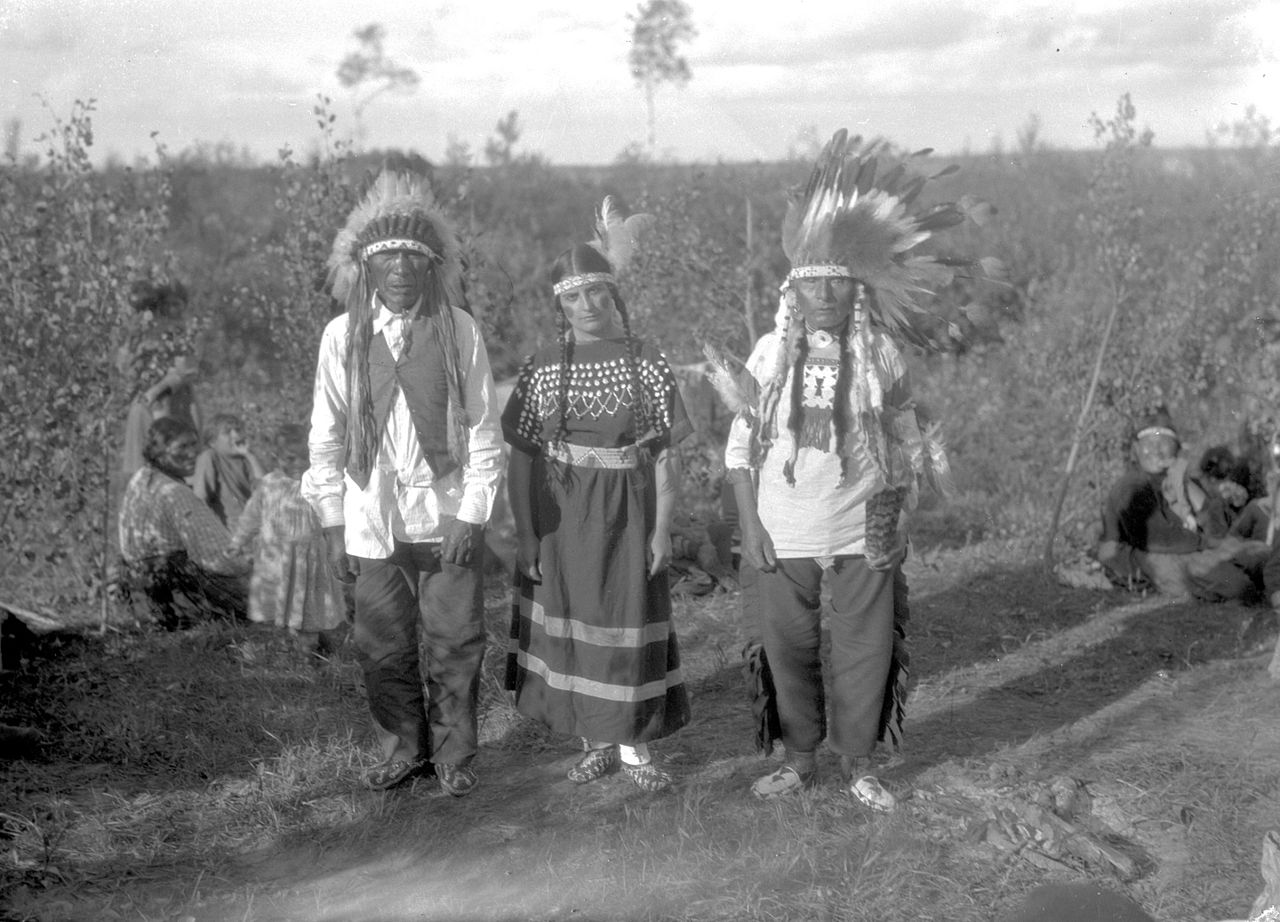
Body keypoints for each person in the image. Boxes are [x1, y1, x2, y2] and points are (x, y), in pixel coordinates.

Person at [715, 130, 979, 809]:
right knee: (786, 643)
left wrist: (904, 511)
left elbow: (907, 438)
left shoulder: (882, 355)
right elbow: (740, 447)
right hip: (782, 521)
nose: (825, 293)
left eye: (836, 281)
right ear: (793, 292)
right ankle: (800, 760)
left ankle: (859, 762)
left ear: (854, 289)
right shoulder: (769, 355)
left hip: (866, 519)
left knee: (867, 644)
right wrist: (751, 525)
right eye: (812, 283)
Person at [302, 170, 503, 794]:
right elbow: (326, 436)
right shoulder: (342, 337)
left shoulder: (458, 329)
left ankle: (452, 755)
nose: (399, 270)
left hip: (446, 513)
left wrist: (471, 514)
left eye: (413, 257)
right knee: (381, 643)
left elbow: (483, 428)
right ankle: (403, 750)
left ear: (432, 267)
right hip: (372, 518)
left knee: (455, 639)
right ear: (363, 267)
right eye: (386, 257)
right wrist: (333, 524)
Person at [502, 201, 692, 792]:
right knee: (574, 618)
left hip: (628, 513)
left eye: (596, 293)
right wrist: (526, 533)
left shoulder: (646, 361)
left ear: (613, 295)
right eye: (573, 297)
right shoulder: (541, 367)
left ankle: (634, 747)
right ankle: (595, 741)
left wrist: (661, 530)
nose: (586, 306)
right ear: (559, 305)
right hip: (562, 519)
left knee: (624, 618)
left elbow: (667, 452)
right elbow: (521, 455)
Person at [1097, 408, 1270, 601]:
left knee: (1262, 554)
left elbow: (1217, 531)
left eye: (1164, 442)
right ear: (1136, 450)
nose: (1156, 450)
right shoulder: (1131, 486)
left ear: (1177, 449)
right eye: (1148, 443)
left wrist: (1189, 485)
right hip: (1148, 555)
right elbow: (1157, 539)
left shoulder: (1180, 481)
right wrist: (1210, 545)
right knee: (1236, 585)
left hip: (1189, 549)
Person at [117, 416, 249, 628]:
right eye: (182, 447)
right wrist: (252, 568)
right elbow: (221, 559)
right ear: (159, 453)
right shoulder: (175, 492)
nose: (192, 453)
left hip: (140, 596)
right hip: (174, 594)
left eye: (194, 444)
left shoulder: (140, 479)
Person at [228, 423, 346, 651]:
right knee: (279, 602)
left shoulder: (318, 483)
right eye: (289, 458)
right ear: (276, 456)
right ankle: (285, 643)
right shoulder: (269, 484)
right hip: (276, 558)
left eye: (304, 457)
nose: (297, 464)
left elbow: (336, 515)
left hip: (308, 558)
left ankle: (310, 648)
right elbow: (251, 515)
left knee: (307, 603)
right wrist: (238, 541)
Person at [120, 354, 202, 480]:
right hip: (157, 463)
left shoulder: (180, 387)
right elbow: (164, 430)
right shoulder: (163, 390)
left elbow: (195, 415)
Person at [193, 413, 265, 531]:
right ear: (212, 442)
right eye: (227, 432)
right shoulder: (210, 457)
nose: (235, 435)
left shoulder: (246, 458)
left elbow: (267, 488)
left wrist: (250, 455)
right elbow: (200, 498)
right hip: (230, 529)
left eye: (238, 430)